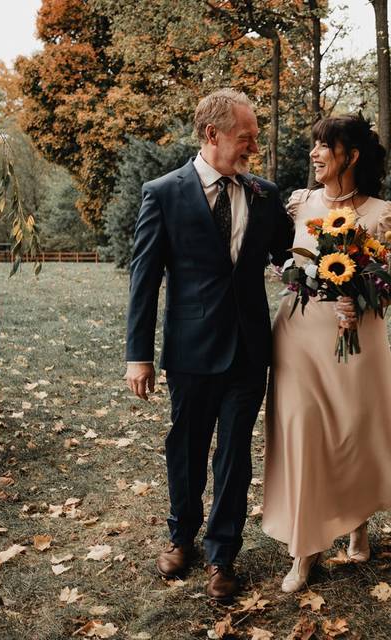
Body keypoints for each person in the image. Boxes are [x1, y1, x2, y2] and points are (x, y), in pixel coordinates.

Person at [124, 88, 293, 600]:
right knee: (188, 447)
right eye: (246, 138)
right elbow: (144, 278)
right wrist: (138, 354)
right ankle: (181, 536)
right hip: (190, 348)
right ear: (212, 134)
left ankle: (223, 554)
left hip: (248, 349)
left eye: (255, 139)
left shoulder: (263, 194)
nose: (252, 148)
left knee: (235, 454)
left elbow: (292, 258)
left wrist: (340, 271)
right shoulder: (164, 192)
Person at [261, 113, 391, 593]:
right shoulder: (298, 205)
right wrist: (285, 273)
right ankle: (304, 551)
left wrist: (366, 295)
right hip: (298, 339)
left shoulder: (381, 213)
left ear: (349, 155)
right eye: (314, 144)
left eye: (324, 145)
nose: (314, 153)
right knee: (304, 433)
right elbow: (279, 260)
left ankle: (358, 522)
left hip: (355, 343)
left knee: (353, 434)